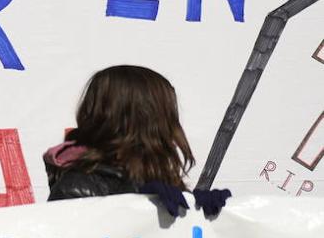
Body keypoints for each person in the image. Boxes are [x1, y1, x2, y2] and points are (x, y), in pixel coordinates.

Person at [44, 65, 229, 216]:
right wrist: (136, 202)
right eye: (168, 111)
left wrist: (198, 213)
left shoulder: (162, 183)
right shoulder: (76, 190)